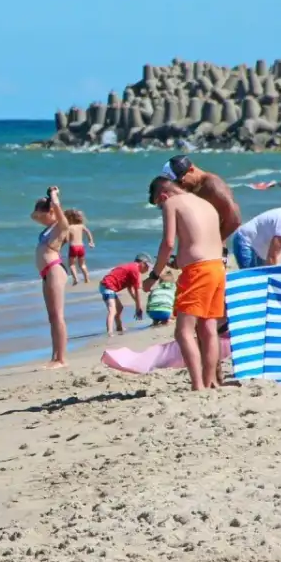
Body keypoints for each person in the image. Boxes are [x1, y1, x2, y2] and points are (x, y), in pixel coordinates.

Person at [144, 176, 226, 390]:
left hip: (198, 271)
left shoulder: (172, 203)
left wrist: (154, 275)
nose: (161, 208)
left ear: (163, 196)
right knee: (208, 328)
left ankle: (197, 384)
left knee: (183, 332)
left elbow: (168, 243)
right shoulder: (205, 204)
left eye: (159, 205)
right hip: (217, 267)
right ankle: (211, 380)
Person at [31, 186, 71, 369]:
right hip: (46, 272)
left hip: (54, 269)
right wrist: (45, 203)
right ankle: (55, 356)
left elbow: (56, 210)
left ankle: (61, 359)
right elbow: (33, 215)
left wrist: (54, 197)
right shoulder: (48, 229)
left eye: (43, 214)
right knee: (52, 317)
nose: (39, 217)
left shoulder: (61, 226)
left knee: (58, 315)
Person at [161, 155, 242, 242]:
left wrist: (213, 243)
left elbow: (235, 220)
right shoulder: (195, 187)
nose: (180, 186)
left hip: (213, 247)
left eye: (180, 181)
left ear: (191, 170)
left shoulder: (213, 186)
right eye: (175, 183)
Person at [98, 254, 151, 336]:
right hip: (107, 285)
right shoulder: (135, 269)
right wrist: (138, 307)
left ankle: (119, 327)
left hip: (108, 286)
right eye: (147, 266)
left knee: (119, 308)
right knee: (112, 310)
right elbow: (137, 291)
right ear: (142, 263)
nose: (147, 269)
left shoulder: (132, 267)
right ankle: (110, 332)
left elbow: (130, 289)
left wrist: (137, 303)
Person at [64, 208, 96, 285]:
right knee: (82, 264)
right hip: (81, 247)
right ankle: (87, 279)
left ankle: (75, 279)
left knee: (72, 265)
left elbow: (67, 239)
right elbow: (88, 232)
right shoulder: (81, 226)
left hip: (73, 247)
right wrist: (91, 241)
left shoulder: (69, 227)